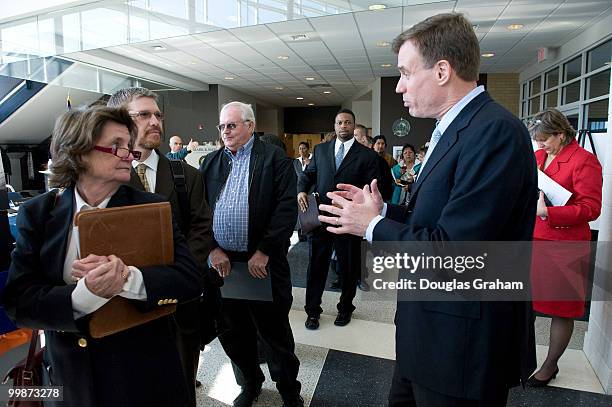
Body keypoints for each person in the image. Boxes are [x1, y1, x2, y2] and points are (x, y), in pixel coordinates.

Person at [317, 13, 537, 406]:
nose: (399, 85)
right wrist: (385, 212)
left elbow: (456, 253)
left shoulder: (495, 132)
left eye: (404, 72)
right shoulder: (453, 128)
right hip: (428, 334)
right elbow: (438, 219)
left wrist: (373, 227)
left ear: (441, 71)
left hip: (462, 347)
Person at [2, 106, 202, 406]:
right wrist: (83, 295)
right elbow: (20, 301)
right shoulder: (40, 213)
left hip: (144, 376)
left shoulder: (151, 208)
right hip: (73, 380)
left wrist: (127, 278)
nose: (130, 153)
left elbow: (189, 280)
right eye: (117, 145)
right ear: (79, 152)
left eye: (129, 144)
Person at [107, 87, 215, 406]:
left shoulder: (187, 176)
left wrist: (172, 279)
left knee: (180, 388)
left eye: (157, 115)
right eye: (143, 115)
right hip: (123, 306)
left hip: (179, 307)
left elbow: (201, 231)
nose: (155, 121)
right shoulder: (106, 178)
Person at [200, 102, 303, 407]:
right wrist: (212, 248)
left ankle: (288, 389)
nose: (225, 132)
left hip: (262, 263)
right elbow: (199, 212)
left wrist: (265, 251)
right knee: (233, 333)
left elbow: (285, 210)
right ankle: (250, 383)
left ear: (249, 125)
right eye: (222, 126)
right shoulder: (210, 162)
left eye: (231, 125)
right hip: (224, 265)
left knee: (275, 334)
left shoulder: (275, 160)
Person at [527, 108, 602, 387]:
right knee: (527, 305)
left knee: (561, 308)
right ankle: (522, 358)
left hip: (565, 244)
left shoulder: (585, 161)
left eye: (545, 139)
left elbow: (591, 208)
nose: (540, 145)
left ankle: (550, 365)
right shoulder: (538, 157)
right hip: (534, 239)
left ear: (561, 134)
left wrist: (550, 213)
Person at [297, 108, 381, 329]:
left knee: (348, 267)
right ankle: (312, 311)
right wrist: (301, 190)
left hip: (349, 219)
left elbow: (371, 190)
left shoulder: (367, 155)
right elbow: (308, 174)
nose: (343, 126)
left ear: (354, 126)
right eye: (339, 122)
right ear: (334, 126)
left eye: (347, 122)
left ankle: (345, 308)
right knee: (316, 266)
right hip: (322, 217)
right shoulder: (321, 150)